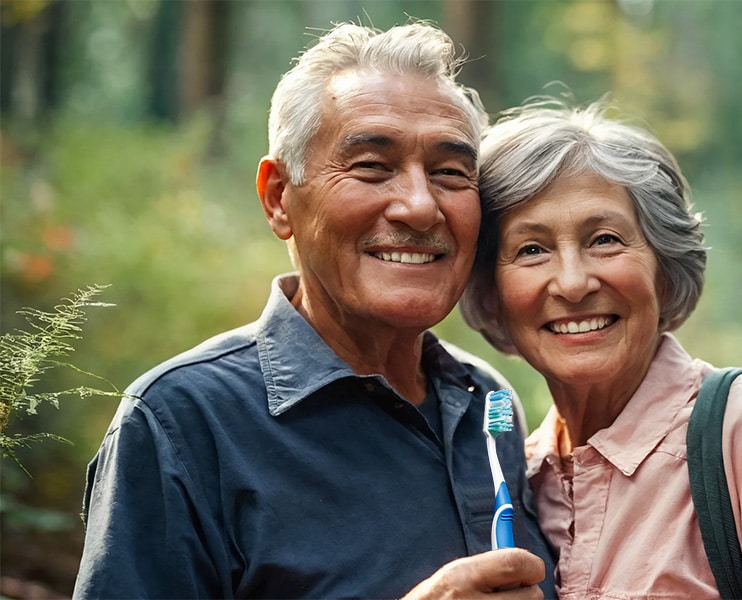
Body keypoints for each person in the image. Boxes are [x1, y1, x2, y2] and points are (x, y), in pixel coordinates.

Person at [74, 22, 555, 599]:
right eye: (372, 166)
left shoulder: (483, 400)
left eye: (450, 173)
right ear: (279, 198)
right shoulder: (182, 423)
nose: (421, 207)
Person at [460, 98, 742, 599]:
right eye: (531, 249)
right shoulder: (520, 477)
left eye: (604, 239)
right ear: (492, 292)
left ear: (664, 270)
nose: (573, 283)